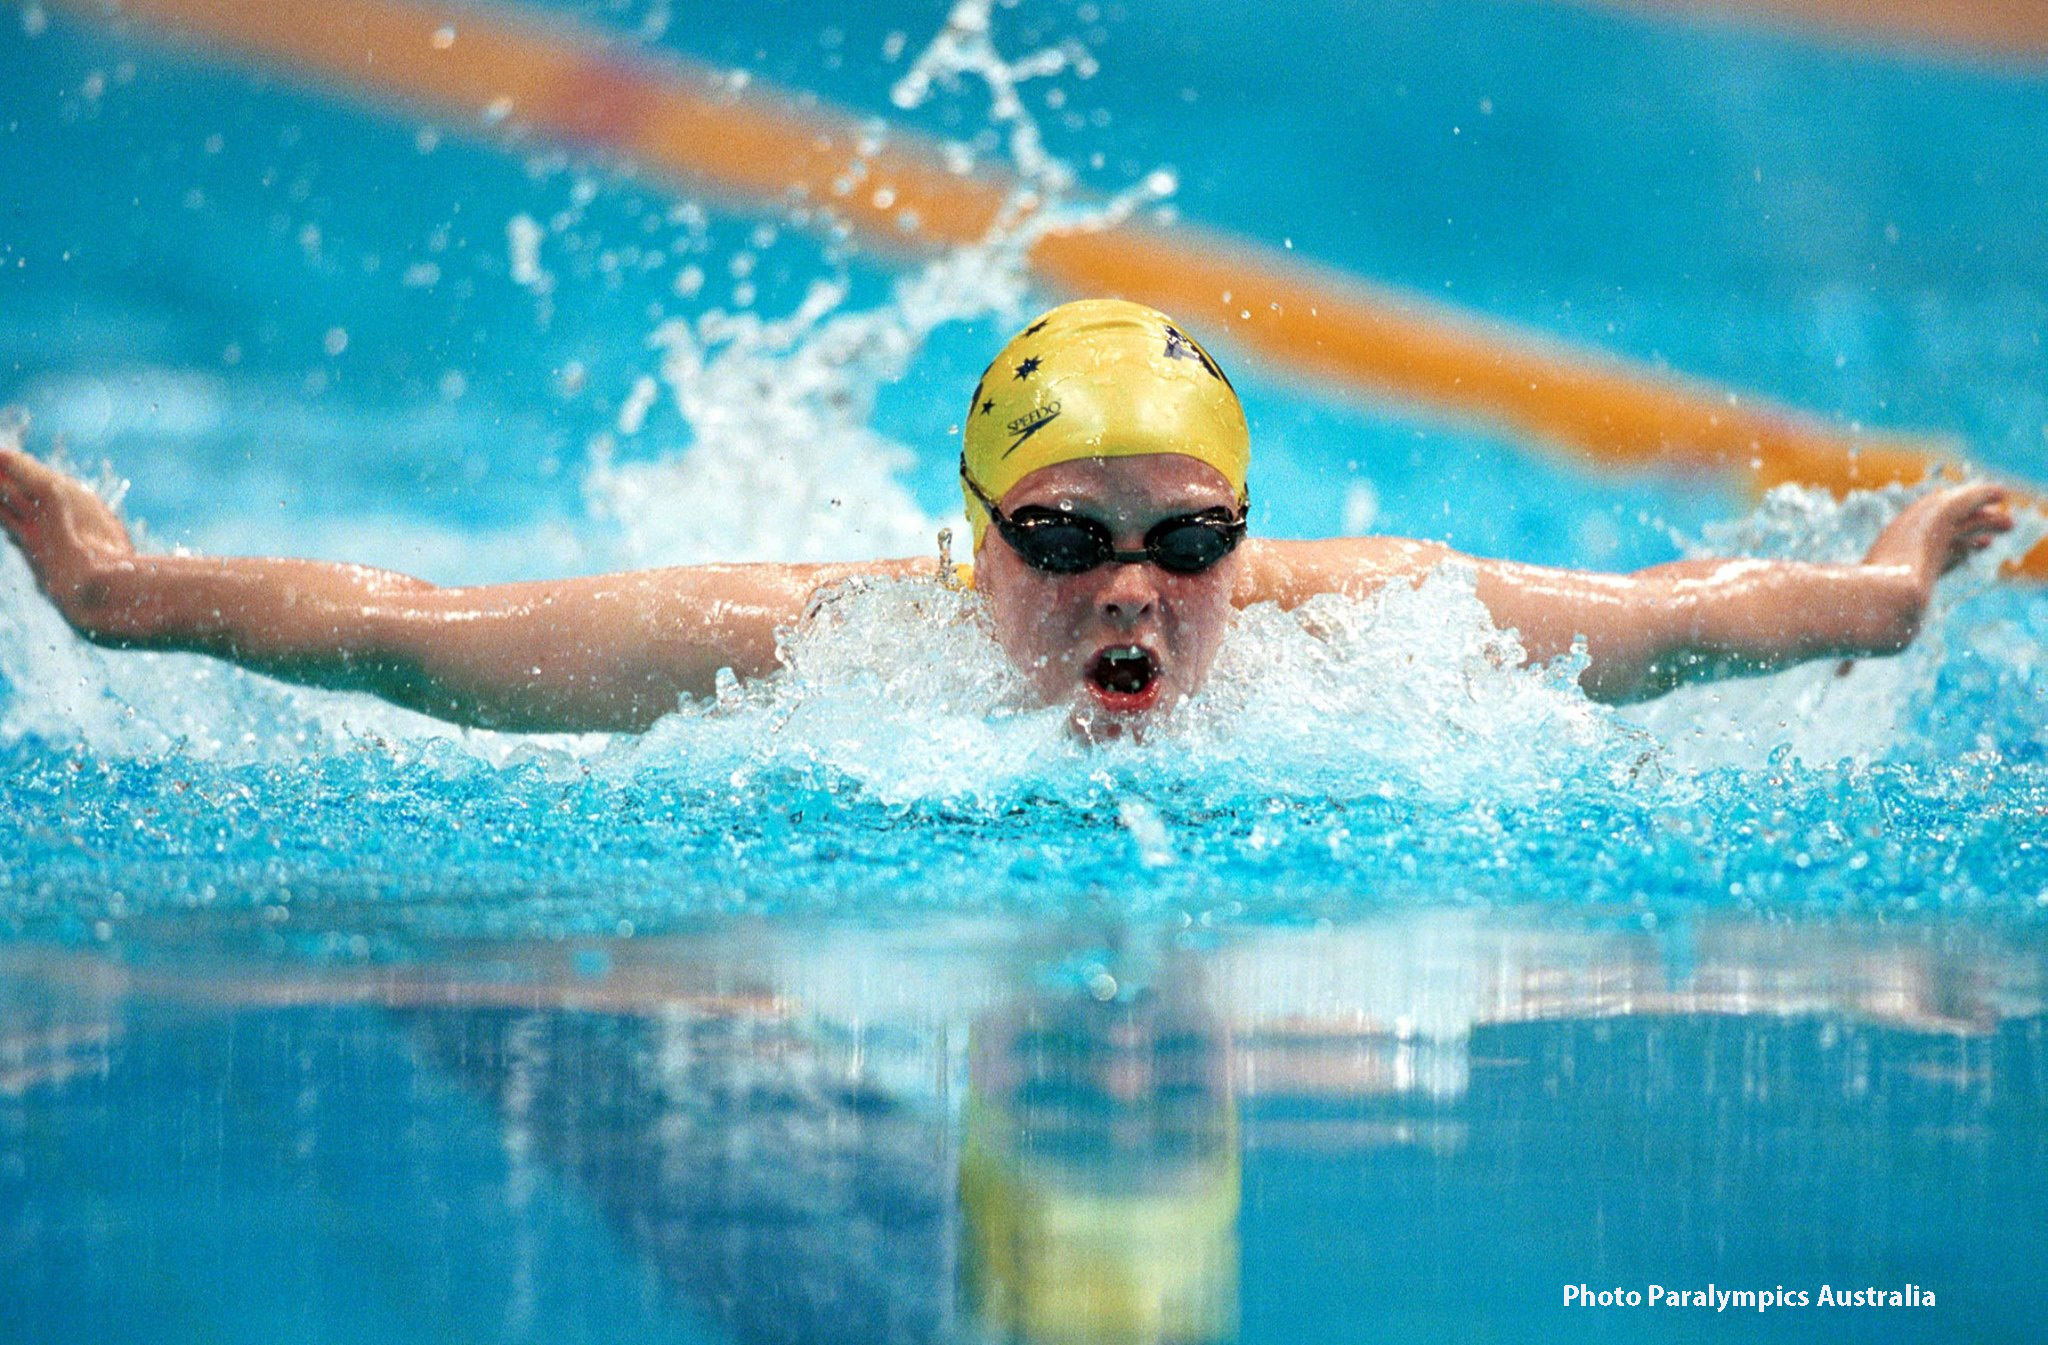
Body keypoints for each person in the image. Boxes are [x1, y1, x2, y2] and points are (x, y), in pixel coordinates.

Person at [0, 299, 2013, 736]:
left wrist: (1895, 580)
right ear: (968, 532)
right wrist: (97, 575)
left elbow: (1698, 614)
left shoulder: (1382, 633)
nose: (1131, 583)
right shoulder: (799, 649)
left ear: (1251, 533)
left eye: (1187, 537)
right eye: (1063, 538)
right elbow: (403, 626)